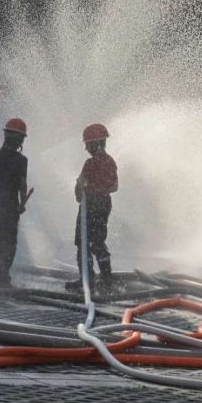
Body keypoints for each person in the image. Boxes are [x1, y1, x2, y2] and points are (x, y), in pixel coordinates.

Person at [65, 123, 118, 294]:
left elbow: (80, 186)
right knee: (99, 241)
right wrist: (101, 189)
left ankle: (86, 279)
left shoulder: (89, 163)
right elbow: (115, 186)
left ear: (95, 144)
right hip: (104, 203)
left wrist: (82, 192)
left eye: (87, 144)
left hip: (90, 205)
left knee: (83, 242)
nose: (86, 148)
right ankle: (106, 279)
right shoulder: (110, 162)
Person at [0, 118, 29, 288]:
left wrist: (1, 171)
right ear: (20, 139)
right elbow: (23, 184)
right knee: (9, 239)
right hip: (11, 202)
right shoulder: (22, 160)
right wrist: (22, 203)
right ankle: (3, 275)